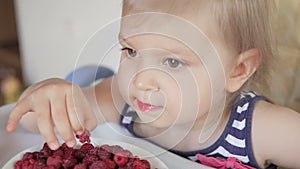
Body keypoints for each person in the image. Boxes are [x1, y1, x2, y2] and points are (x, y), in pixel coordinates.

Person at [6, 0, 300, 168]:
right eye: (131, 51)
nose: (140, 80)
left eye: (173, 62)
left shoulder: (261, 130)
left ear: (237, 70)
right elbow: (32, 124)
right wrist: (47, 96)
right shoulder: (120, 100)